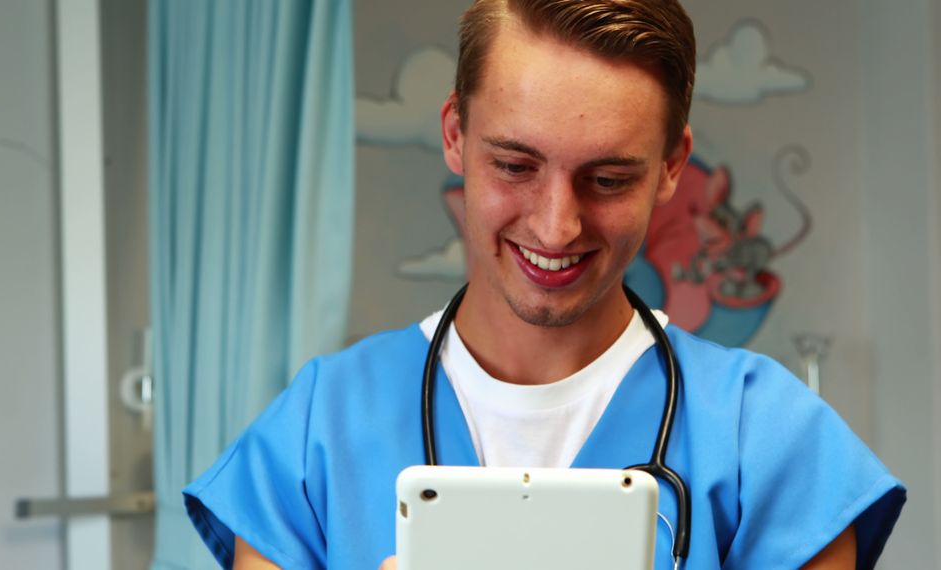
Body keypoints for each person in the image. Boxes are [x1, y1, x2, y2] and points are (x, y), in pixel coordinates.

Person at [184, 0, 906, 568]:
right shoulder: (320, 429)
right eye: (515, 165)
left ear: (672, 166)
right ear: (456, 134)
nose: (558, 227)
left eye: (609, 178)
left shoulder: (771, 439)